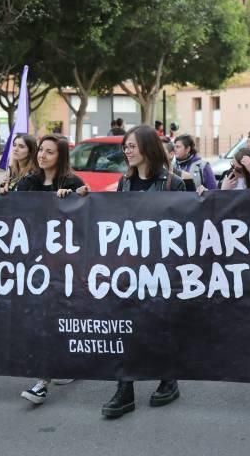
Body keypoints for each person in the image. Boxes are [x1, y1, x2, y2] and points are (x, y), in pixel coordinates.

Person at [102, 124, 186, 419]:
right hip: (129, 269)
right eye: (125, 146)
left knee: (159, 327)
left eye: (132, 146)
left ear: (148, 147)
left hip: (161, 271)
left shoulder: (173, 184)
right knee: (125, 327)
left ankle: (168, 379)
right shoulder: (123, 183)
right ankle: (124, 389)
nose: (127, 151)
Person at [13, 135, 87, 404]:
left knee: (53, 318)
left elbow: (85, 219)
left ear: (61, 156)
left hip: (63, 265)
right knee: (42, 319)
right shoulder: (28, 182)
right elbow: (12, 213)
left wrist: (74, 200)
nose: (42, 155)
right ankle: (59, 367)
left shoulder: (72, 183)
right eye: (41, 150)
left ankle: (43, 381)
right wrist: (1, 197)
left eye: (50, 152)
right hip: (33, 263)